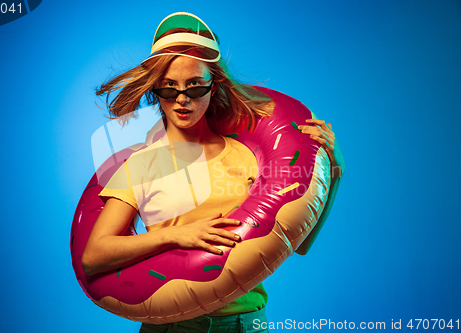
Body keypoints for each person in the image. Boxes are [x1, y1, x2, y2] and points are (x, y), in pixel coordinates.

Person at [81, 12, 345, 333]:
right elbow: (94, 256)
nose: (181, 100)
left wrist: (333, 173)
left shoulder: (248, 158)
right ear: (156, 90)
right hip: (173, 327)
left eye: (194, 87)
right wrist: (176, 235)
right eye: (168, 89)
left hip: (245, 324)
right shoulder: (141, 165)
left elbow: (299, 244)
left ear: (212, 85)